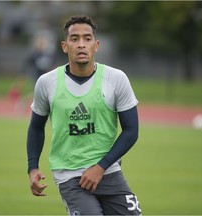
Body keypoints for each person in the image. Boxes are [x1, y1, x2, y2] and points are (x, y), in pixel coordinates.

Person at [27, 15, 142, 215]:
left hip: (108, 171)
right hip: (69, 175)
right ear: (65, 46)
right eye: (75, 39)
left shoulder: (116, 79)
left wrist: (100, 167)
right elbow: (36, 127)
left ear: (96, 45)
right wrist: (32, 167)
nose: (81, 44)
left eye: (87, 39)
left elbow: (131, 130)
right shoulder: (47, 83)